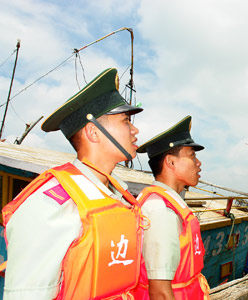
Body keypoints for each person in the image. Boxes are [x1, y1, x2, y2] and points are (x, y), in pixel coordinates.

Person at [2, 68, 149, 299]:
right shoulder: (50, 204)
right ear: (94, 132)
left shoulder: (119, 194)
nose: (135, 129)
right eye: (125, 121)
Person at [136, 116, 210, 300]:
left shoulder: (171, 203)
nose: (198, 163)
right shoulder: (161, 208)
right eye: (192, 155)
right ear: (170, 162)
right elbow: (159, 291)